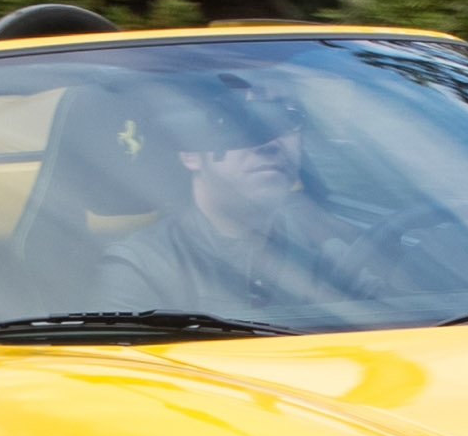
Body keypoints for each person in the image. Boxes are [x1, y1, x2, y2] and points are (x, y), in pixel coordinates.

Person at [87, 74, 383, 318]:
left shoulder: (327, 243)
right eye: (236, 123)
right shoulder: (142, 266)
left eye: (284, 119)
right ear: (190, 152)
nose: (269, 143)